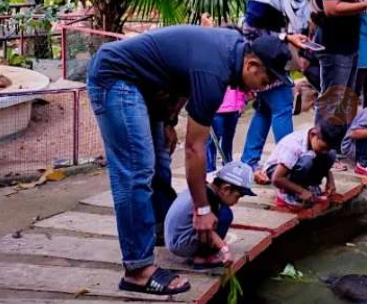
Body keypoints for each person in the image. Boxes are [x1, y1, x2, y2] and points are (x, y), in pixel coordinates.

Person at [87, 25, 291, 295]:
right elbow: (195, 149)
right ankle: (137, 270)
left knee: (159, 158)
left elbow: (182, 77)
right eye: (264, 82)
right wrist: (202, 210)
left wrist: (169, 120)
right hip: (117, 78)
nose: (258, 91)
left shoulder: (231, 53)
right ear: (252, 65)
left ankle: (158, 229)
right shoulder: (215, 73)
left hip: (145, 87)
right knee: (137, 170)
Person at [240, 0, 312, 170]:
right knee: (282, 105)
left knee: (264, 109)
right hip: (261, 62)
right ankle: (286, 162)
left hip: (281, 59)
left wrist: (298, 43)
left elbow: (298, 22)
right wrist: (285, 37)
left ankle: (249, 161)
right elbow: (250, 32)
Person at [164, 161, 253, 269]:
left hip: (173, 239)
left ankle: (201, 254)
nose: (236, 202)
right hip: (182, 243)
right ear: (225, 189)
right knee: (226, 214)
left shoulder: (202, 190)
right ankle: (202, 258)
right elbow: (207, 229)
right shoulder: (208, 199)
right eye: (238, 196)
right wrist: (224, 249)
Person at [200, 14, 247, 172]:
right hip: (218, 109)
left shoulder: (238, 61)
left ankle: (228, 167)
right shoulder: (212, 59)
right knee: (212, 142)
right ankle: (210, 171)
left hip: (233, 108)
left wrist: (242, 103)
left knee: (228, 141)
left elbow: (241, 85)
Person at [262, 123, 343, 210]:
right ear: (313, 135)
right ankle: (287, 194)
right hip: (277, 171)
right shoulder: (294, 146)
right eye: (323, 148)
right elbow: (277, 178)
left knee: (331, 154)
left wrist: (330, 179)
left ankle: (310, 186)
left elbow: (324, 155)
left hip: (297, 167)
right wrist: (301, 191)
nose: (324, 152)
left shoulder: (316, 143)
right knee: (306, 162)